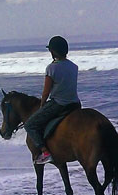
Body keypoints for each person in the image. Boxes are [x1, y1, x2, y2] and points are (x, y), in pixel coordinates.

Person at [25, 36, 82, 164]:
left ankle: (45, 152)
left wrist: (42, 106)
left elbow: (46, 92)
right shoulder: (74, 66)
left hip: (59, 104)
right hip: (75, 104)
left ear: (53, 52)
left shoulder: (51, 68)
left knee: (30, 124)